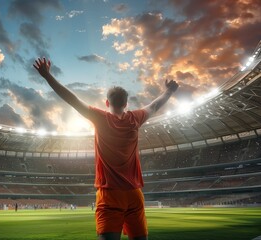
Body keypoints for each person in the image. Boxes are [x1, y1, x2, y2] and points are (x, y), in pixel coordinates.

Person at [33, 58, 178, 240]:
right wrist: (169, 90)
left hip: (109, 195)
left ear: (107, 103)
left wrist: (47, 76)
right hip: (134, 194)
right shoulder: (135, 118)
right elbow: (155, 105)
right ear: (126, 104)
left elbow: (72, 99)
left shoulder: (100, 118)